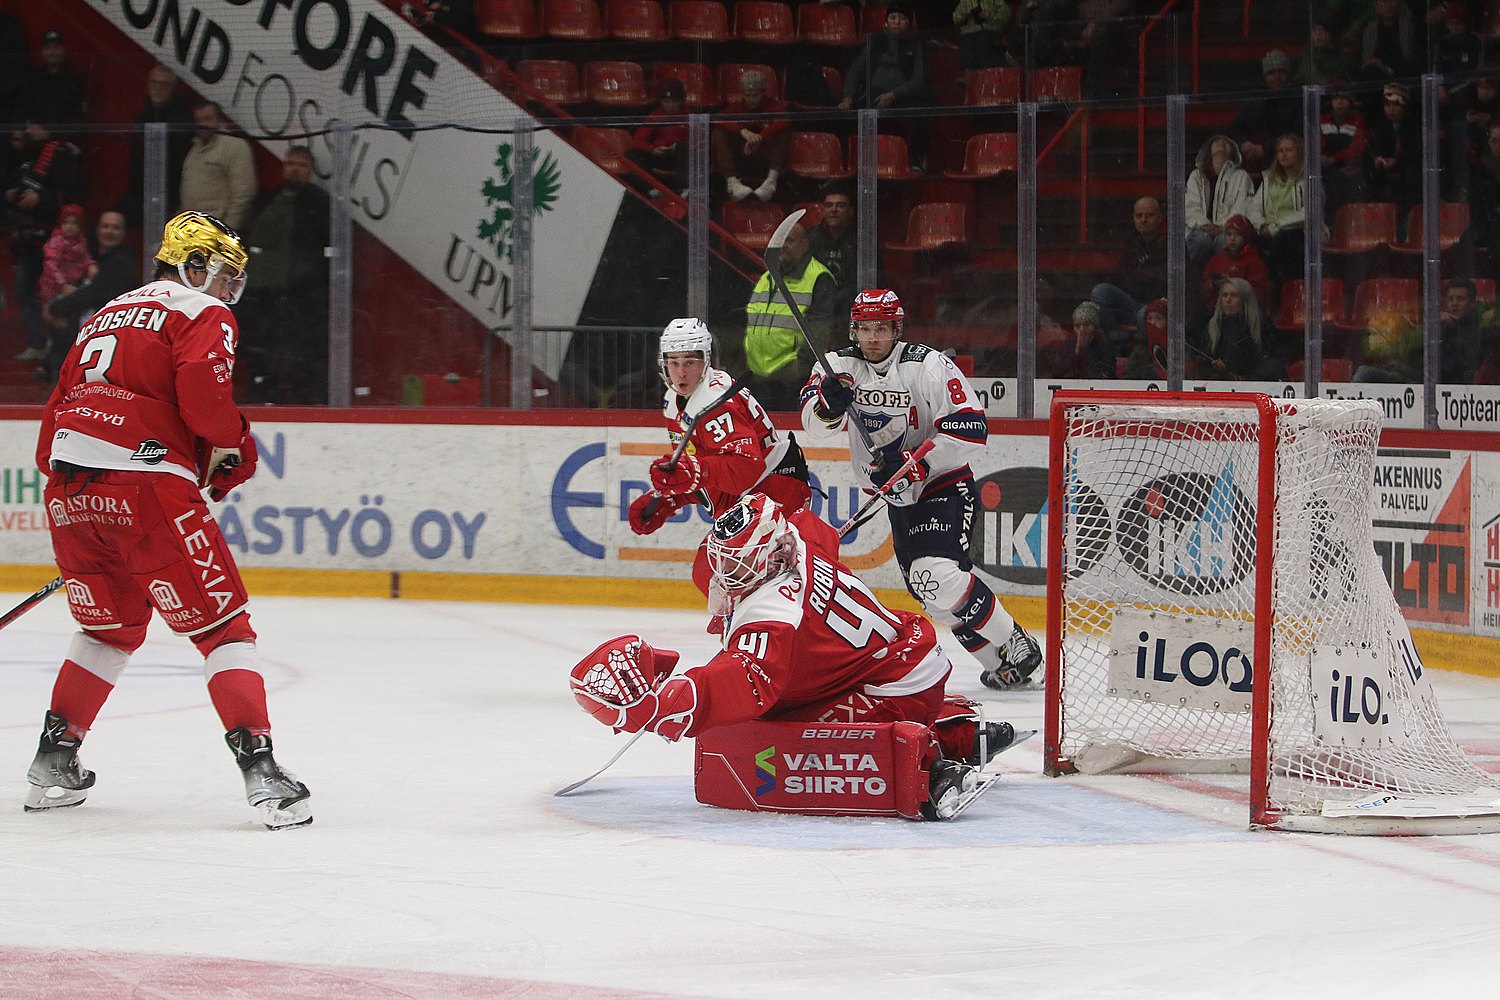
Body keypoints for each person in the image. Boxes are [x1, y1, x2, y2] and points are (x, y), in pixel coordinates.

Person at [25, 210, 312, 830]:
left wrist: (95, 494)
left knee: (109, 631)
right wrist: (230, 443)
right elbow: (205, 405)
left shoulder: (102, 315)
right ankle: (263, 774)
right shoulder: (199, 311)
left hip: (70, 492)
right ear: (193, 264)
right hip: (145, 487)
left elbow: (51, 431)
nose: (230, 292)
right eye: (224, 276)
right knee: (224, 630)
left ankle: (54, 759)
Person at [572, 493, 1025, 820]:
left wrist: (657, 707)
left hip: (894, 682)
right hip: (895, 656)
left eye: (738, 565)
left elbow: (742, 682)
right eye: (724, 562)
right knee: (788, 709)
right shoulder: (797, 538)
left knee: (782, 736)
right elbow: (812, 528)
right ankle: (960, 728)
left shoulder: (774, 611)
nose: (728, 575)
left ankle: (934, 768)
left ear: (769, 556)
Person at [800, 288, 1041, 690]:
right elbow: (812, 423)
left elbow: (972, 428)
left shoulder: (928, 365)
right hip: (898, 499)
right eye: (864, 328)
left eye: (882, 328)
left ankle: (1014, 639)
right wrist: (827, 405)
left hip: (941, 485)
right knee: (928, 593)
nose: (872, 337)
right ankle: (996, 662)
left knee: (936, 574)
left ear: (897, 329)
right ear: (853, 329)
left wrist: (919, 463)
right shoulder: (836, 367)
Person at [628, 317, 816, 596]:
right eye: (674, 362)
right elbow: (708, 471)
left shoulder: (714, 402)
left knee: (717, 570)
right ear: (663, 362)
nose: (681, 372)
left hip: (775, 489)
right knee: (716, 573)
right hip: (749, 495)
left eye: (690, 362)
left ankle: (760, 629)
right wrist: (670, 497)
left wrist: (692, 472)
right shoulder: (674, 401)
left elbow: (745, 467)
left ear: (706, 360)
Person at [238, 145, 331, 404]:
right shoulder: (266, 200)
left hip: (299, 298)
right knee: (261, 356)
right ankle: (261, 402)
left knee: (301, 357)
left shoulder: (319, 203)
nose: (294, 169)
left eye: (301, 165)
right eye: (290, 163)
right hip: (261, 296)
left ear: (310, 170)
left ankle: (306, 409)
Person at [4, 119, 81, 364]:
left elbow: (70, 194)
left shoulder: (62, 154)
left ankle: (63, 349)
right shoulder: (26, 157)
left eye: (34, 125)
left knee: (58, 297)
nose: (28, 131)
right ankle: (39, 344)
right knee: (24, 289)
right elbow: (14, 187)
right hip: (29, 241)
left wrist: (41, 199)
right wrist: (12, 194)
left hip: (60, 245)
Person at [743, 222, 839, 410]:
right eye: (779, 241)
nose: (782, 245)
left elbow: (819, 334)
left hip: (791, 385)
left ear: (805, 244)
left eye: (790, 240)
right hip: (758, 380)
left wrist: (798, 372)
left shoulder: (819, 278)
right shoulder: (767, 277)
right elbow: (751, 326)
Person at [41, 209, 136, 381]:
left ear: (123, 233)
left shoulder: (122, 261)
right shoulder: (85, 254)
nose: (109, 231)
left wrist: (57, 307)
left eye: (115, 227)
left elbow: (97, 292)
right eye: (105, 226)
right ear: (97, 229)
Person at [839, 3, 935, 168]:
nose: (896, 22)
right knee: (847, 115)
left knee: (926, 105)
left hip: (904, 95)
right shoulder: (876, 40)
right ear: (886, 21)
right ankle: (851, 162)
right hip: (875, 94)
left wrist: (894, 94)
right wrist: (848, 96)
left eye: (902, 18)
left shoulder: (917, 43)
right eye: (893, 18)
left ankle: (917, 158)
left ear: (909, 22)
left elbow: (919, 79)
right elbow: (856, 69)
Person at [1090, 195, 1168, 364]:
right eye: (1139, 216)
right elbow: (1122, 276)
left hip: (1157, 307)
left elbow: (1161, 279)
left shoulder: (1170, 244)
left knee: (1143, 315)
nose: (1144, 220)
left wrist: (1138, 276)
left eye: (1149, 215)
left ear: (1160, 217)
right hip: (1133, 302)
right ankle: (1115, 340)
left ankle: (1145, 358)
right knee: (1100, 291)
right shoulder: (1133, 243)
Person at [116, 63, 195, 227]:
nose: (157, 88)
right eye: (154, 83)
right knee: (115, 217)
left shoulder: (182, 117)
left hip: (168, 191)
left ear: (172, 87)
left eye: (163, 84)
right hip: (139, 189)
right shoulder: (143, 113)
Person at [713, 69, 790, 204]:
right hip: (742, 154)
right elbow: (718, 119)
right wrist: (743, 132)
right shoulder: (737, 107)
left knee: (783, 132)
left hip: (765, 156)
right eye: (748, 95)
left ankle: (771, 181)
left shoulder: (773, 106)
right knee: (718, 133)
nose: (751, 99)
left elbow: (786, 119)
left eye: (755, 95)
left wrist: (760, 137)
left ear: (763, 92)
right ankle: (732, 181)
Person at [179, 100, 257, 230]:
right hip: (192, 231)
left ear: (219, 120)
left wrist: (226, 231)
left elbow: (244, 193)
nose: (202, 124)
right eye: (198, 120)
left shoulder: (235, 146)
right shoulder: (194, 150)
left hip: (216, 231)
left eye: (207, 119)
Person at [1247, 133, 1308, 294]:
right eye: (1280, 151)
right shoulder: (1269, 179)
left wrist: (1277, 226)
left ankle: (1270, 283)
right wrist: (1262, 225)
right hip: (1269, 230)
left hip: (1297, 231)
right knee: (1248, 241)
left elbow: (1309, 212)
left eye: (1289, 150)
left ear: (1299, 153)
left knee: (1283, 239)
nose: (1284, 154)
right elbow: (1253, 207)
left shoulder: (1307, 180)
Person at [1192, 277, 1283, 381]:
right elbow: (1204, 364)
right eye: (1225, 295)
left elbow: (1269, 363)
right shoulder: (1213, 326)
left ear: (1245, 300)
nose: (1228, 300)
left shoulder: (1261, 326)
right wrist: (1218, 369)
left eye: (1234, 295)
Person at [1184, 134, 1255, 267]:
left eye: (1225, 142)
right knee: (1201, 241)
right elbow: (1190, 206)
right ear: (1208, 149)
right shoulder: (1196, 176)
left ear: (1233, 150)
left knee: (1225, 241)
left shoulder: (1241, 177)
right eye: (1216, 141)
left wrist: (1222, 227)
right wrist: (1204, 225)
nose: (1221, 143)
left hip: (1227, 230)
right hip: (1199, 229)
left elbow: (1241, 206)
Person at [1230, 49, 1301, 177]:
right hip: (1256, 162)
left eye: (1281, 72)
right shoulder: (1257, 99)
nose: (1277, 77)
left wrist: (1265, 149)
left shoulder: (1297, 99)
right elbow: (1236, 128)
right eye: (1271, 73)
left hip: (1287, 161)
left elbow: (1298, 134)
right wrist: (1244, 144)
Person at [805, 182, 869, 319]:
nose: (833, 210)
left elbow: (870, 282)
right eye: (829, 205)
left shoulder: (864, 241)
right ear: (823, 211)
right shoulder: (810, 240)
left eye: (840, 205)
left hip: (850, 311)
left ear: (850, 211)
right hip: (817, 309)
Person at [18, 29, 86, 145]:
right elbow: (24, 105)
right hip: (34, 138)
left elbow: (76, 117)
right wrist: (28, 125)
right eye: (48, 48)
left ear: (64, 50)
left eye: (56, 47)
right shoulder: (35, 78)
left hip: (63, 142)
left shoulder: (74, 79)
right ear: (42, 51)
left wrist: (50, 133)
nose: (52, 52)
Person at [1365, 82, 1420, 226]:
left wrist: (1398, 162)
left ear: (1404, 106)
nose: (1391, 110)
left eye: (1396, 105)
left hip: (1409, 180)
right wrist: (1378, 160)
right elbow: (1372, 152)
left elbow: (1416, 153)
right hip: (1384, 180)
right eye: (1388, 105)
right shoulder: (1380, 127)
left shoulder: (1414, 126)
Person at [628, 77, 688, 196]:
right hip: (659, 158)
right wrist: (653, 149)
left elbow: (700, 143)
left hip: (680, 160)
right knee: (632, 153)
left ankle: (685, 188)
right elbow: (636, 142)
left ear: (681, 101)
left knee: (684, 147)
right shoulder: (656, 116)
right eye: (666, 101)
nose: (670, 105)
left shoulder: (690, 116)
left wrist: (677, 146)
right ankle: (650, 189)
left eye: (674, 101)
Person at [1200, 214, 1271, 313]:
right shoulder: (1216, 260)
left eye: (1237, 234)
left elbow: (1260, 295)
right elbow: (1204, 292)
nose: (1232, 238)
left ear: (1246, 236)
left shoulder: (1255, 262)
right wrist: (1213, 284)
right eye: (1229, 234)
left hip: (1245, 314)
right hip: (1217, 313)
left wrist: (1234, 286)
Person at [1320, 86, 1369, 211]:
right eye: (1336, 98)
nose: (1339, 102)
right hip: (1327, 174)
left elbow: (1357, 148)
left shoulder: (1359, 120)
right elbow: (1317, 143)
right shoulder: (1322, 120)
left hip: (1352, 174)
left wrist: (1334, 158)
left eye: (1343, 98)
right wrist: (1322, 157)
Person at [1439, 278, 1495, 383]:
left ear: (1472, 303)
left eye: (1460, 299)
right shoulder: (1442, 326)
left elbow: (1456, 366)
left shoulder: (1480, 330)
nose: (1454, 303)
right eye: (1451, 299)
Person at [952, 0, 1011, 71]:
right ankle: (969, 76)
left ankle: (985, 75)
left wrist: (990, 16)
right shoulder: (966, 1)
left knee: (983, 44)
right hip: (969, 35)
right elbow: (955, 20)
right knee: (968, 48)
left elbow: (1006, 17)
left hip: (990, 33)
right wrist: (964, 13)